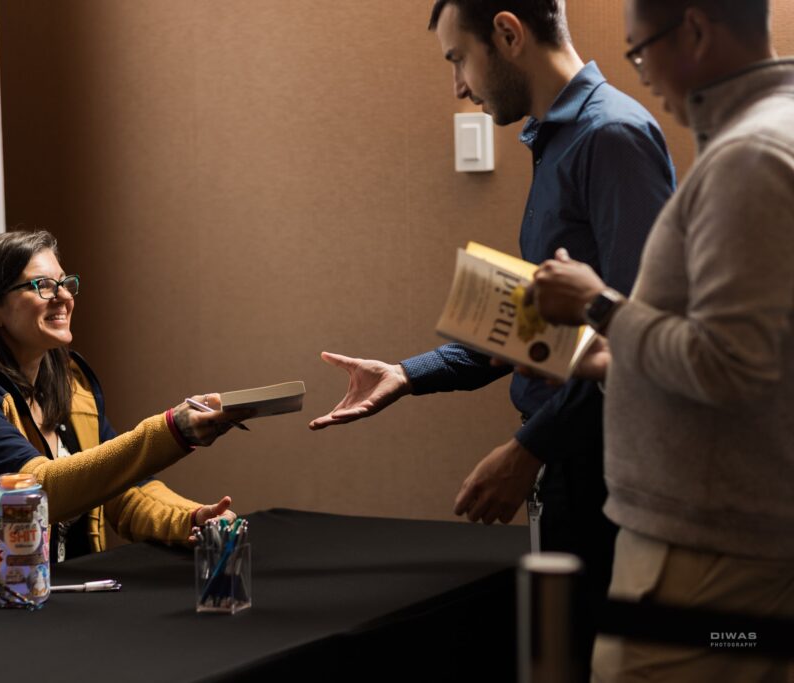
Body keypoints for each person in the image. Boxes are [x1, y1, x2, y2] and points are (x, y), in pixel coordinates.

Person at [309, 0, 675, 664]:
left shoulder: (611, 137)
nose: (456, 85)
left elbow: (639, 345)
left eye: (458, 59)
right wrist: (408, 373)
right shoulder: (559, 139)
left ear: (507, 34)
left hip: (605, 478)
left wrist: (528, 448)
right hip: (570, 470)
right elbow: (538, 326)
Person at [529, 1, 794, 680]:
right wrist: (610, 359)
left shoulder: (749, 157)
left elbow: (730, 364)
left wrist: (599, 302)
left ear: (696, 29)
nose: (642, 76)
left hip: (703, 562)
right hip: (733, 546)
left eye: (640, 52)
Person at [0, 231, 245, 605]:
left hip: (52, 602)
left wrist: (193, 518)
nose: (65, 297)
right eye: (42, 285)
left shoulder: (67, 381)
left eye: (65, 284)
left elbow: (122, 490)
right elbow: (37, 492)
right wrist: (171, 431)